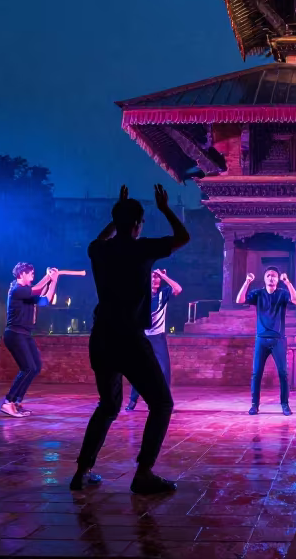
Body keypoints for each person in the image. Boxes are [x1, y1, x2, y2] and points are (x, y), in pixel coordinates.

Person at [73, 184, 189, 494]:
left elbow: (100, 239)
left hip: (102, 336)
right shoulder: (142, 249)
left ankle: (82, 470)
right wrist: (165, 209)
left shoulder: (99, 251)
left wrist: (118, 211)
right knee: (162, 403)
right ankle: (144, 473)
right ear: (139, 224)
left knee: (108, 405)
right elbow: (183, 238)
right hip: (130, 338)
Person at [236, 267, 296, 416]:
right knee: (256, 373)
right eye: (268, 275)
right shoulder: (258, 294)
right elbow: (239, 300)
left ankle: (285, 405)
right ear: (264, 279)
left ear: (277, 280)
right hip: (261, 340)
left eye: (274, 276)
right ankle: (254, 405)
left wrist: (288, 282)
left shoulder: (282, 294)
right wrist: (247, 281)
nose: (271, 278)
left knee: (283, 373)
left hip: (278, 340)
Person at [1, 263, 58, 418]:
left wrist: (54, 280)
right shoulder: (17, 289)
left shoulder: (26, 294)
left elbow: (46, 300)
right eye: (31, 274)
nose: (33, 276)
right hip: (15, 334)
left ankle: (17, 402)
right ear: (22, 274)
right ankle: (8, 402)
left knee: (35, 367)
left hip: (25, 334)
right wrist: (48, 276)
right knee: (27, 368)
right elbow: (39, 289)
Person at [127, 268, 182, 411]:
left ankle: (165, 401)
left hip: (158, 338)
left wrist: (164, 276)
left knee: (164, 370)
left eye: (157, 277)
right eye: (152, 277)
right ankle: (132, 400)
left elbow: (178, 288)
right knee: (139, 370)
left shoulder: (163, 293)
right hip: (143, 337)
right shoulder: (141, 295)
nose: (155, 279)